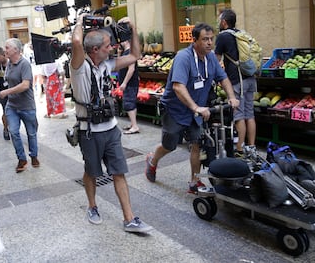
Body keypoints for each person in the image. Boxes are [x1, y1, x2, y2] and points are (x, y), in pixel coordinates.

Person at [70, 13, 152, 233]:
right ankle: (92, 205)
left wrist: (133, 29)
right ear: (95, 49)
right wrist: (80, 21)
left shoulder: (108, 64)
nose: (112, 47)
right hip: (89, 132)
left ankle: (129, 218)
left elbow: (135, 54)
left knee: (119, 172)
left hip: (110, 129)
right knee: (92, 172)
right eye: (108, 45)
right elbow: (77, 41)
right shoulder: (78, 67)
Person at [145, 23, 239, 193]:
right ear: (194, 40)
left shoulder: (211, 58)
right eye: (205, 39)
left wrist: (232, 97)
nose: (210, 43)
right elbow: (178, 87)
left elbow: (223, 78)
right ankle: (152, 160)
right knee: (169, 145)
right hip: (175, 110)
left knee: (197, 144)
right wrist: (196, 107)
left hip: (197, 111)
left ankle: (194, 182)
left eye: (211, 39)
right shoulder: (184, 57)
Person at [215, 8, 258, 159]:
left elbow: (216, 60)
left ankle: (240, 147)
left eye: (219, 20)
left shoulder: (222, 37)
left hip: (236, 80)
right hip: (249, 78)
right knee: (250, 114)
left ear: (224, 22)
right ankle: (251, 146)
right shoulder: (241, 34)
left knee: (239, 115)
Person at [0, 38, 40, 173]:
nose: (5, 50)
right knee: (14, 132)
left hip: (27, 106)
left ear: (16, 49)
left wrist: (7, 91)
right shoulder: (9, 64)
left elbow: (25, 85)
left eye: (7, 47)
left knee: (31, 134)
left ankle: (33, 156)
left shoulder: (25, 64)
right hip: (12, 106)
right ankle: (22, 159)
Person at [118, 40, 140, 134]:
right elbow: (119, 65)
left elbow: (131, 69)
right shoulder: (126, 53)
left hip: (130, 83)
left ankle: (135, 126)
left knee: (128, 103)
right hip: (130, 83)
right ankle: (132, 123)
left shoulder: (130, 53)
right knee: (131, 102)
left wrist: (124, 83)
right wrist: (119, 53)